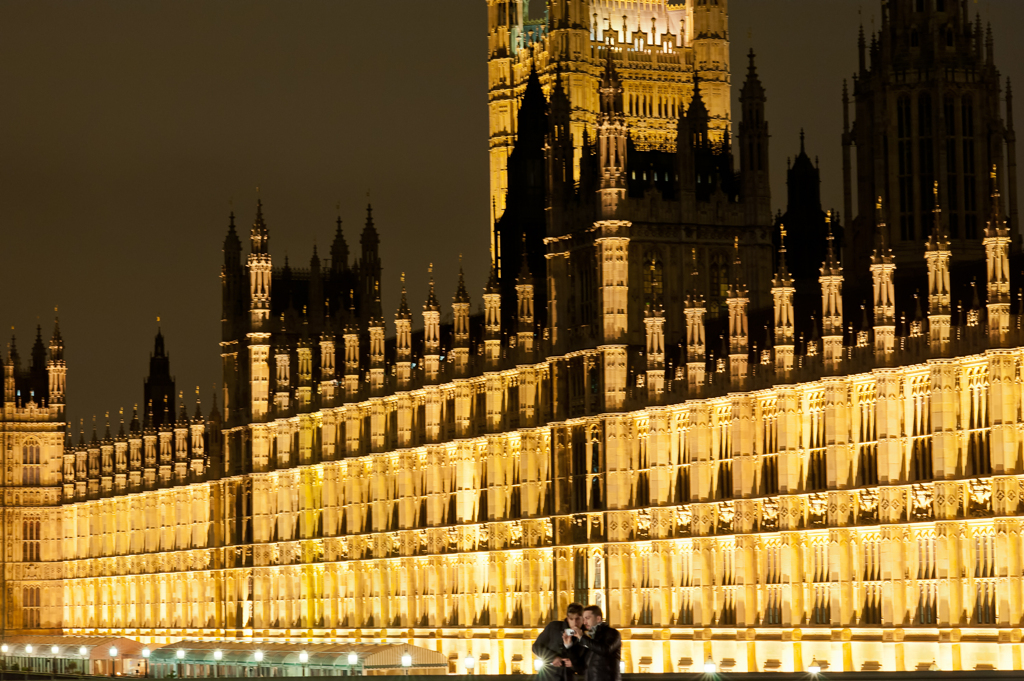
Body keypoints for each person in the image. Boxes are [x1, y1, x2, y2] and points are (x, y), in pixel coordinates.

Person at [562, 605, 621, 681]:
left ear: (598, 619)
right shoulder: (589, 639)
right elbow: (580, 668)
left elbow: (605, 650)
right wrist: (569, 646)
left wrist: (582, 637)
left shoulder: (612, 633)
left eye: (587, 618)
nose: (584, 622)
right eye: (583, 619)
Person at [533, 603, 584, 680]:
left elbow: (585, 665)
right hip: (548, 676)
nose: (575, 623)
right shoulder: (554, 627)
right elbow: (536, 647)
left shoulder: (586, 637)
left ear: (582, 619)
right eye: (571, 619)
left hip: (568, 677)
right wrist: (553, 658)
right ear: (567, 619)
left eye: (577, 619)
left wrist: (573, 664)